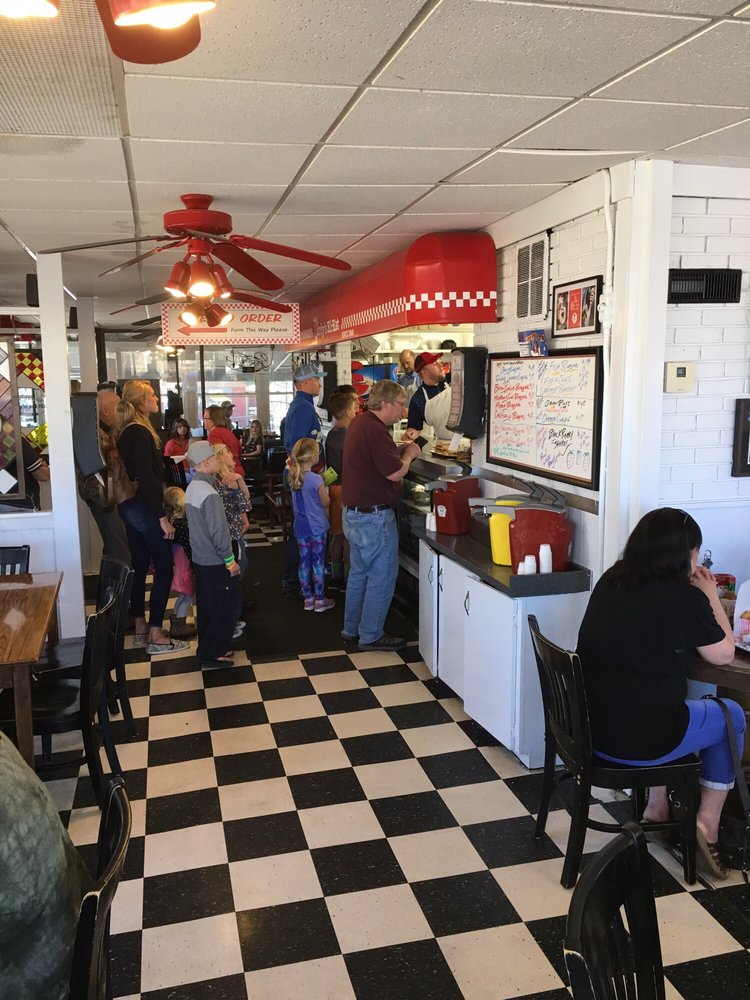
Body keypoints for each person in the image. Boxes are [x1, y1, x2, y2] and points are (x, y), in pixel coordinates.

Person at [576, 507, 745, 880]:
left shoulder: (613, 579)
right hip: (640, 741)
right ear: (685, 555)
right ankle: (708, 824)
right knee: (731, 715)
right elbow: (724, 653)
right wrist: (710, 593)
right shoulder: (682, 598)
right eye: (696, 553)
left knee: (662, 702)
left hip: (592, 731)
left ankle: (656, 809)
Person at [342, 380, 421, 651]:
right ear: (385, 403)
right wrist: (410, 453)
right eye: (400, 404)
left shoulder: (360, 423)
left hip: (353, 513)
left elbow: (376, 461)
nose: (403, 410)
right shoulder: (375, 430)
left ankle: (351, 629)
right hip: (373, 517)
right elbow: (395, 473)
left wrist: (397, 451)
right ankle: (371, 634)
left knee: (359, 574)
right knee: (382, 576)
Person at [113, 380, 187, 656]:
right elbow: (148, 478)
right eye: (153, 396)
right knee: (165, 568)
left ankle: (141, 626)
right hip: (144, 507)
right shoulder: (141, 433)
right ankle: (157, 633)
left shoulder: (124, 431)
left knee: (140, 565)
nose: (157, 399)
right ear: (143, 402)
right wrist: (161, 517)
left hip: (129, 506)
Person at [184, 440, 241, 668]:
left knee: (208, 607)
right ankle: (211, 652)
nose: (219, 460)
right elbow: (219, 531)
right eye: (215, 458)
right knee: (228, 607)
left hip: (200, 559)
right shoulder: (209, 493)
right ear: (206, 462)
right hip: (216, 560)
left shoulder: (192, 488)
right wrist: (230, 561)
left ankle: (209, 647)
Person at [281, 363, 328, 599]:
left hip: (300, 473)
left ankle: (297, 579)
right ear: (306, 382)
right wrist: (307, 474)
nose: (320, 383)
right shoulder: (303, 408)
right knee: (303, 528)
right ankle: (294, 581)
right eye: (317, 379)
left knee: (300, 527)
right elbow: (298, 446)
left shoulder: (301, 405)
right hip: (301, 473)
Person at [75, 388, 131, 565]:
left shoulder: (101, 432)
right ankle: (117, 591)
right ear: (106, 411)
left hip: (104, 496)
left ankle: (109, 590)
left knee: (113, 547)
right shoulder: (96, 435)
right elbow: (100, 468)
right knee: (119, 552)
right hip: (104, 497)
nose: (121, 412)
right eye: (118, 407)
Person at [289, 437, 335, 613]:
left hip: (300, 526)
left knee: (304, 562)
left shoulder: (294, 476)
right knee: (318, 563)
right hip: (317, 527)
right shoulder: (316, 479)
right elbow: (325, 502)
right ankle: (320, 599)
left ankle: (308, 599)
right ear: (313, 456)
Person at [214, 442, 252, 638]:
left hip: (229, 529)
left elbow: (242, 502)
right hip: (231, 531)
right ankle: (231, 616)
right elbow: (244, 501)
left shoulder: (223, 479)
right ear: (221, 457)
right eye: (227, 452)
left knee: (238, 563)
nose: (232, 454)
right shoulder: (228, 480)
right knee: (237, 565)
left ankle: (233, 608)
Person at [325, 390, 358, 590]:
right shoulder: (349, 435)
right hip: (346, 489)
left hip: (333, 487)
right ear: (347, 411)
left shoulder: (331, 434)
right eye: (354, 408)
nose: (356, 412)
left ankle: (335, 576)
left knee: (337, 535)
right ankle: (348, 579)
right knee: (348, 538)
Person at [163, 486, 197, 639]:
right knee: (187, 595)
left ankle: (177, 620)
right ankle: (180, 625)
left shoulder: (170, 520)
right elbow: (189, 546)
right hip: (184, 566)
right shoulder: (181, 524)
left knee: (182, 596)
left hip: (176, 564)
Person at [403, 352, 450, 442]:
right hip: (443, 447)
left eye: (439, 362)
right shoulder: (418, 399)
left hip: (468, 442)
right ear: (425, 372)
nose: (441, 366)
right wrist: (409, 435)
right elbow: (414, 429)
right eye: (435, 364)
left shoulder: (452, 380)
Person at [204, 404, 243, 475]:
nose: (204, 421)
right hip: (238, 470)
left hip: (227, 474)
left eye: (205, 418)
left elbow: (217, 458)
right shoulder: (228, 432)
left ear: (212, 421)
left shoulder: (214, 434)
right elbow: (240, 450)